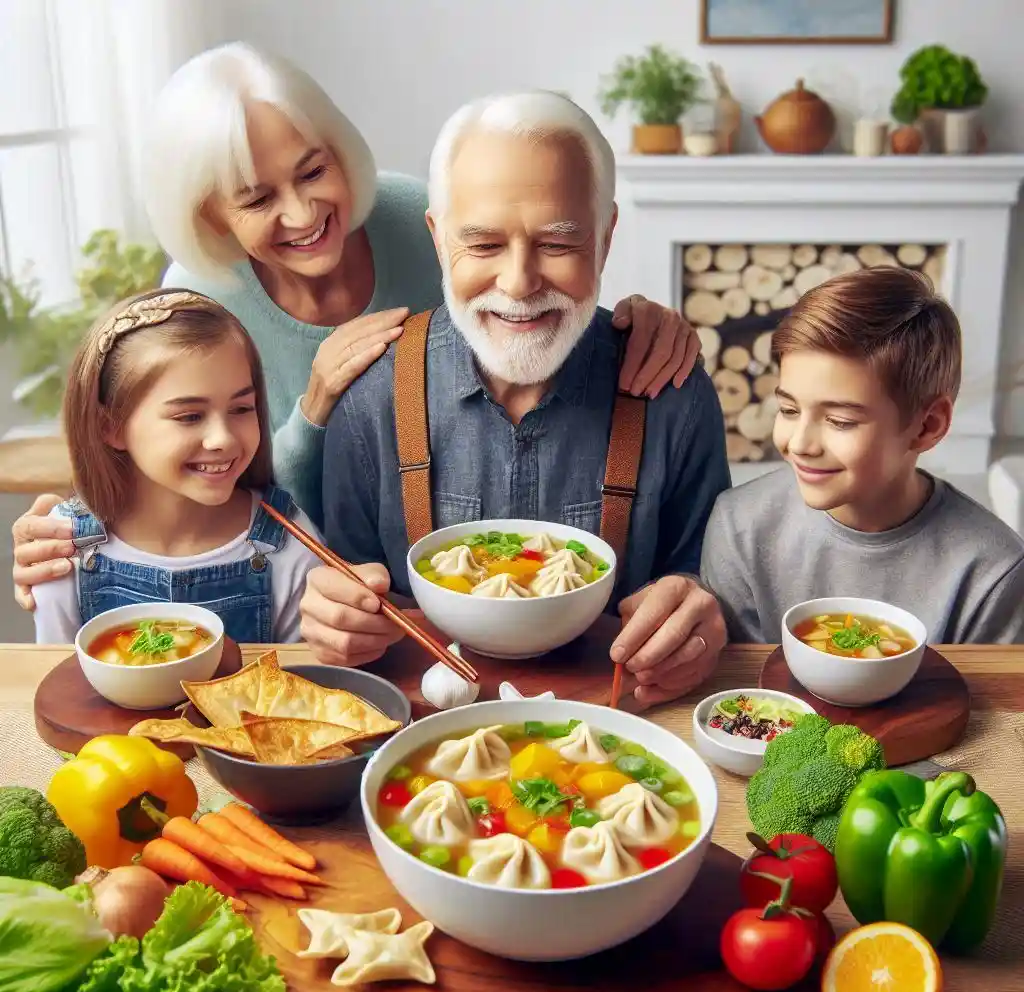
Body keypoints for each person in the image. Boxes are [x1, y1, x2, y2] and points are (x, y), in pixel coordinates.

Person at [12, 42, 703, 606]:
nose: (304, 213)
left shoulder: (406, 212)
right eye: (256, 198)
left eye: (313, 171)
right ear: (211, 215)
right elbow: (183, 466)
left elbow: (538, 273)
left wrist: (636, 321)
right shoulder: (200, 301)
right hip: (284, 565)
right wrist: (70, 536)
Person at [298, 91, 732, 709]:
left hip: (626, 724)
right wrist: (335, 619)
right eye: (482, 245)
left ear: (605, 237)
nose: (519, 283)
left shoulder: (671, 391)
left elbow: (705, 577)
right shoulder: (371, 395)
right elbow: (345, 583)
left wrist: (699, 619)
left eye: (557, 244)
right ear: (437, 236)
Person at [700, 266, 1024, 644]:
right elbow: (738, 694)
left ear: (928, 426)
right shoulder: (738, 525)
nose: (801, 443)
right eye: (789, 410)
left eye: (840, 421)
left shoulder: (993, 568)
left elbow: (995, 702)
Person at [31, 288, 322, 644]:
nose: (223, 439)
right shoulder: (62, 549)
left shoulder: (288, 542)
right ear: (111, 427)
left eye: (241, 409)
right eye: (189, 416)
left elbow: (305, 684)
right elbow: (58, 686)